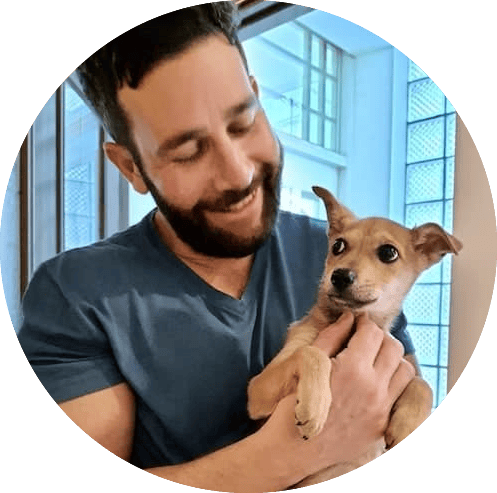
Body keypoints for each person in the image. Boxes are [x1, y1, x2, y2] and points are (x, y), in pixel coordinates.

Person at [17, 2, 416, 491]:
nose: (239, 174)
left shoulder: (338, 253)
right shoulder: (77, 295)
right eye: (188, 152)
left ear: (258, 96)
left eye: (244, 123)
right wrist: (292, 454)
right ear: (130, 167)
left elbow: (404, 411)